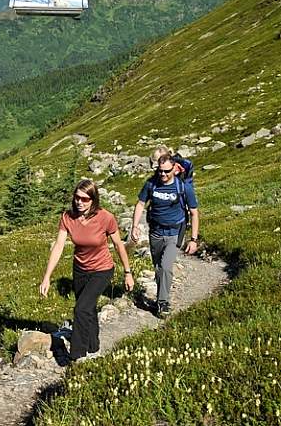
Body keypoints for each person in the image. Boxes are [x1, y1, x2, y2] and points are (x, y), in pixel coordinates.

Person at [39, 179, 134, 361]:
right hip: (80, 268)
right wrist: (47, 277)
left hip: (102, 269)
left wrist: (127, 273)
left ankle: (77, 354)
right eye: (77, 198)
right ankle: (93, 344)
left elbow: (119, 245)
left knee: (81, 309)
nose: (79, 202)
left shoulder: (106, 217)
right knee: (88, 308)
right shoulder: (68, 217)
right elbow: (58, 246)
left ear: (93, 200)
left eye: (85, 199)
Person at [130, 153, 201, 318]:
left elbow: (194, 213)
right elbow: (141, 204)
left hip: (174, 233)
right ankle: (161, 296)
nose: (162, 174)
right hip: (155, 232)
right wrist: (134, 226)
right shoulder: (151, 184)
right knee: (158, 268)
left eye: (166, 171)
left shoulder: (183, 187)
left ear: (175, 169)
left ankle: (163, 302)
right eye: (160, 171)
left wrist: (193, 239)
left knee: (165, 266)